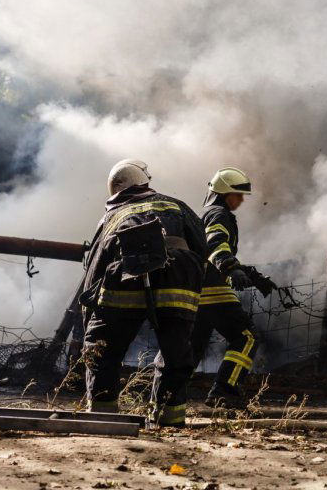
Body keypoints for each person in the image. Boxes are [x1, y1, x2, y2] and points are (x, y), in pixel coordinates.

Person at [80, 159, 206, 427]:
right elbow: (201, 243)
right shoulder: (176, 205)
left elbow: (95, 265)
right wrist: (193, 277)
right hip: (178, 278)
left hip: (126, 278)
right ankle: (168, 419)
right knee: (176, 352)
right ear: (143, 182)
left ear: (116, 188)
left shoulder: (114, 215)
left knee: (103, 349)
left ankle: (102, 418)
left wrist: (90, 316)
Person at [193, 167, 277, 408]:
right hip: (213, 290)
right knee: (247, 337)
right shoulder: (219, 214)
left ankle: (168, 395)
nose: (240, 200)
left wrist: (252, 275)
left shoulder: (207, 213)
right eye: (237, 194)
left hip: (198, 290)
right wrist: (230, 267)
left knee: (192, 348)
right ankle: (224, 392)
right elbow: (216, 244)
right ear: (222, 193)